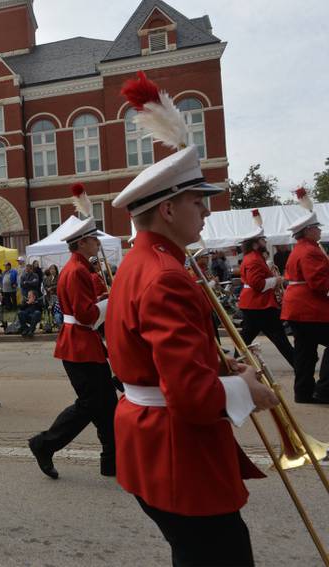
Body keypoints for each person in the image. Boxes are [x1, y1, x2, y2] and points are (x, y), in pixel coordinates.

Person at [105, 107, 278, 564]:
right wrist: (247, 390)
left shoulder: (143, 262)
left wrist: (223, 366)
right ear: (167, 208)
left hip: (155, 441)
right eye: (197, 200)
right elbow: (189, 396)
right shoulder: (165, 274)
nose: (206, 209)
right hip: (175, 448)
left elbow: (158, 354)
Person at [28, 216, 116, 480]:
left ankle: (111, 461)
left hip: (82, 343)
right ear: (82, 242)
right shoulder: (77, 270)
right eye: (94, 239)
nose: (98, 243)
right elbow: (86, 315)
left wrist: (101, 298)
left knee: (108, 405)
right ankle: (44, 444)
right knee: (91, 404)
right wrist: (110, 303)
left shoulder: (77, 267)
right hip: (80, 344)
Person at [281, 210, 329, 404]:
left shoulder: (300, 249)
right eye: (317, 228)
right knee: (305, 352)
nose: (319, 231)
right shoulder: (311, 251)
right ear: (308, 230)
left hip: (298, 309)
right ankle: (324, 389)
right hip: (309, 309)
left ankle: (303, 392)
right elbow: (319, 282)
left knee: (305, 353)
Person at [236, 227, 295, 367]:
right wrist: (277, 280)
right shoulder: (254, 259)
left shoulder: (253, 257)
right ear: (255, 244)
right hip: (260, 305)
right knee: (280, 338)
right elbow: (258, 285)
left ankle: (234, 364)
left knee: (245, 339)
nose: (265, 242)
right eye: (262, 240)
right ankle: (299, 365)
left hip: (255, 304)